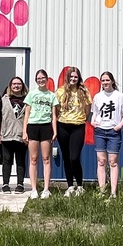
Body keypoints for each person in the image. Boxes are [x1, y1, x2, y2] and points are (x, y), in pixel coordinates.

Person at [90, 71, 123, 199]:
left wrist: (119, 126)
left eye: (107, 80)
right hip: (100, 131)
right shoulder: (98, 96)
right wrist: (93, 121)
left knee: (113, 162)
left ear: (112, 81)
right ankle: (102, 191)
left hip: (113, 132)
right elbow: (94, 112)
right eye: (103, 80)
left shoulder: (119, 96)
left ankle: (113, 192)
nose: (105, 83)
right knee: (101, 161)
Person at [22, 69, 59, 199]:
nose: (41, 80)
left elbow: (54, 115)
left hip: (46, 127)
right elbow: (26, 114)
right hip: (33, 126)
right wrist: (24, 131)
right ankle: (33, 189)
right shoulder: (31, 94)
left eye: (43, 78)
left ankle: (46, 189)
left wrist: (55, 131)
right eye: (38, 78)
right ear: (36, 80)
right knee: (33, 158)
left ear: (47, 79)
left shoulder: (51, 95)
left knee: (46, 158)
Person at [55, 66, 92, 196]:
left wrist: (81, 119)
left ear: (79, 78)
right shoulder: (60, 91)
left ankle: (80, 186)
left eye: (75, 77)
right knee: (66, 157)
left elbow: (88, 110)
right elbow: (56, 110)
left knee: (74, 157)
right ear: (67, 78)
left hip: (78, 126)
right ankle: (70, 186)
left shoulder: (84, 91)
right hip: (63, 126)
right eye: (71, 77)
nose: (73, 79)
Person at [0, 76, 29, 193]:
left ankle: (20, 184)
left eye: (19, 84)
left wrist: (27, 134)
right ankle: (5, 184)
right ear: (10, 86)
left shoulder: (27, 100)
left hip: (21, 135)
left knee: (20, 160)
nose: (16, 86)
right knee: (7, 160)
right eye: (14, 84)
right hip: (6, 134)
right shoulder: (4, 99)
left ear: (22, 86)